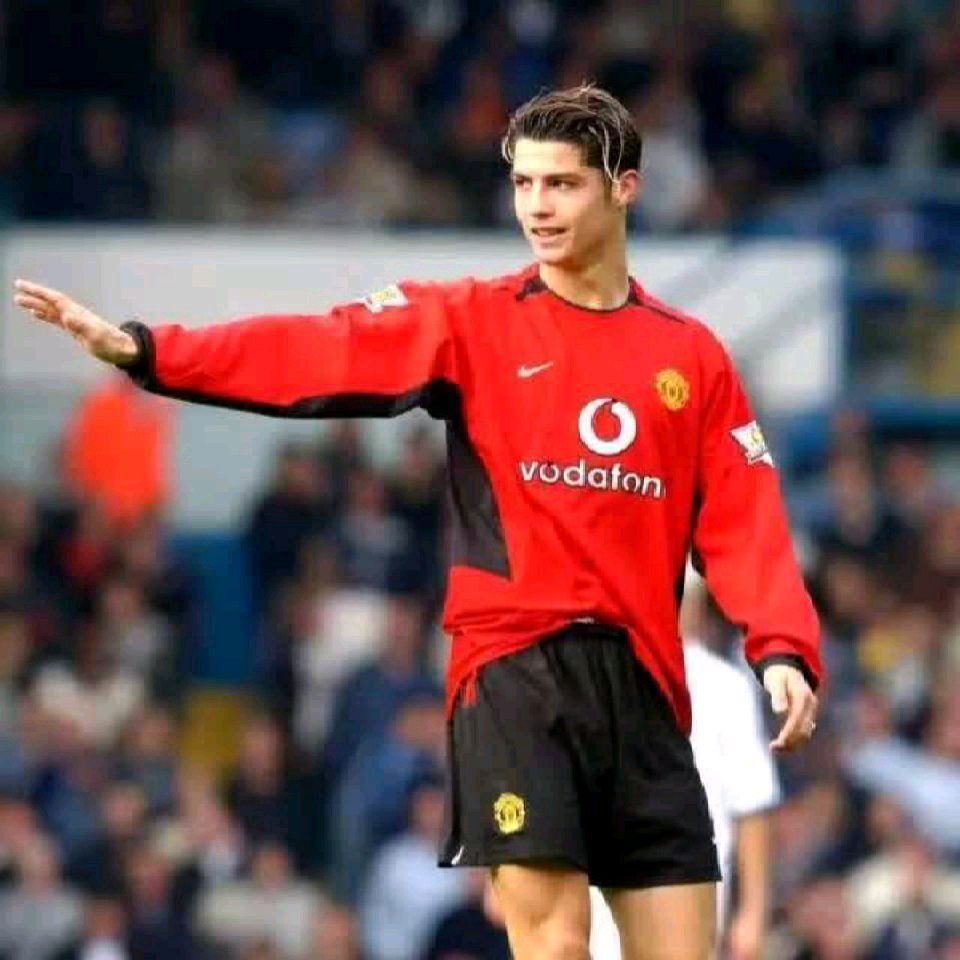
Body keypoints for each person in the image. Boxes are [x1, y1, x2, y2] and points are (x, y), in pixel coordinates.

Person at [13, 84, 821, 960]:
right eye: (524, 184)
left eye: (562, 184)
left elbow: (744, 510)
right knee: (555, 944)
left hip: (648, 688)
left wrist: (781, 646)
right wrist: (153, 351)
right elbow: (316, 349)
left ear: (624, 188)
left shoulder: (690, 356)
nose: (537, 206)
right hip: (516, 674)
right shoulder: (472, 322)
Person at [588, 571, 781, 960]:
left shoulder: (724, 685)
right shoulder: (593, 674)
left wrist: (754, 913)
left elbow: (752, 803)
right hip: (599, 887)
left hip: (690, 884)